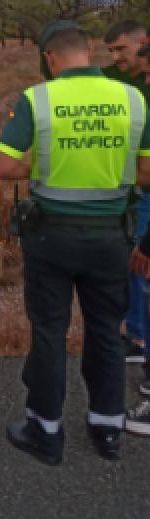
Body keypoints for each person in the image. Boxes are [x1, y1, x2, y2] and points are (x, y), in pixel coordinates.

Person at [0, 20, 150, 464]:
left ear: (50, 58)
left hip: (51, 236)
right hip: (111, 238)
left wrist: (44, 168)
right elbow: (148, 172)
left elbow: (3, 167)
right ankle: (107, 429)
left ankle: (45, 432)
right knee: (105, 331)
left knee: (49, 331)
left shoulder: (39, 98)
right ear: (87, 53)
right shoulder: (132, 98)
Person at [102, 19, 150, 364]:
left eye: (122, 48)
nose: (116, 56)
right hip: (131, 187)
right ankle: (136, 333)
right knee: (132, 260)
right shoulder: (114, 79)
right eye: (111, 51)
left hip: (145, 186)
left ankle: (140, 340)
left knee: (141, 259)